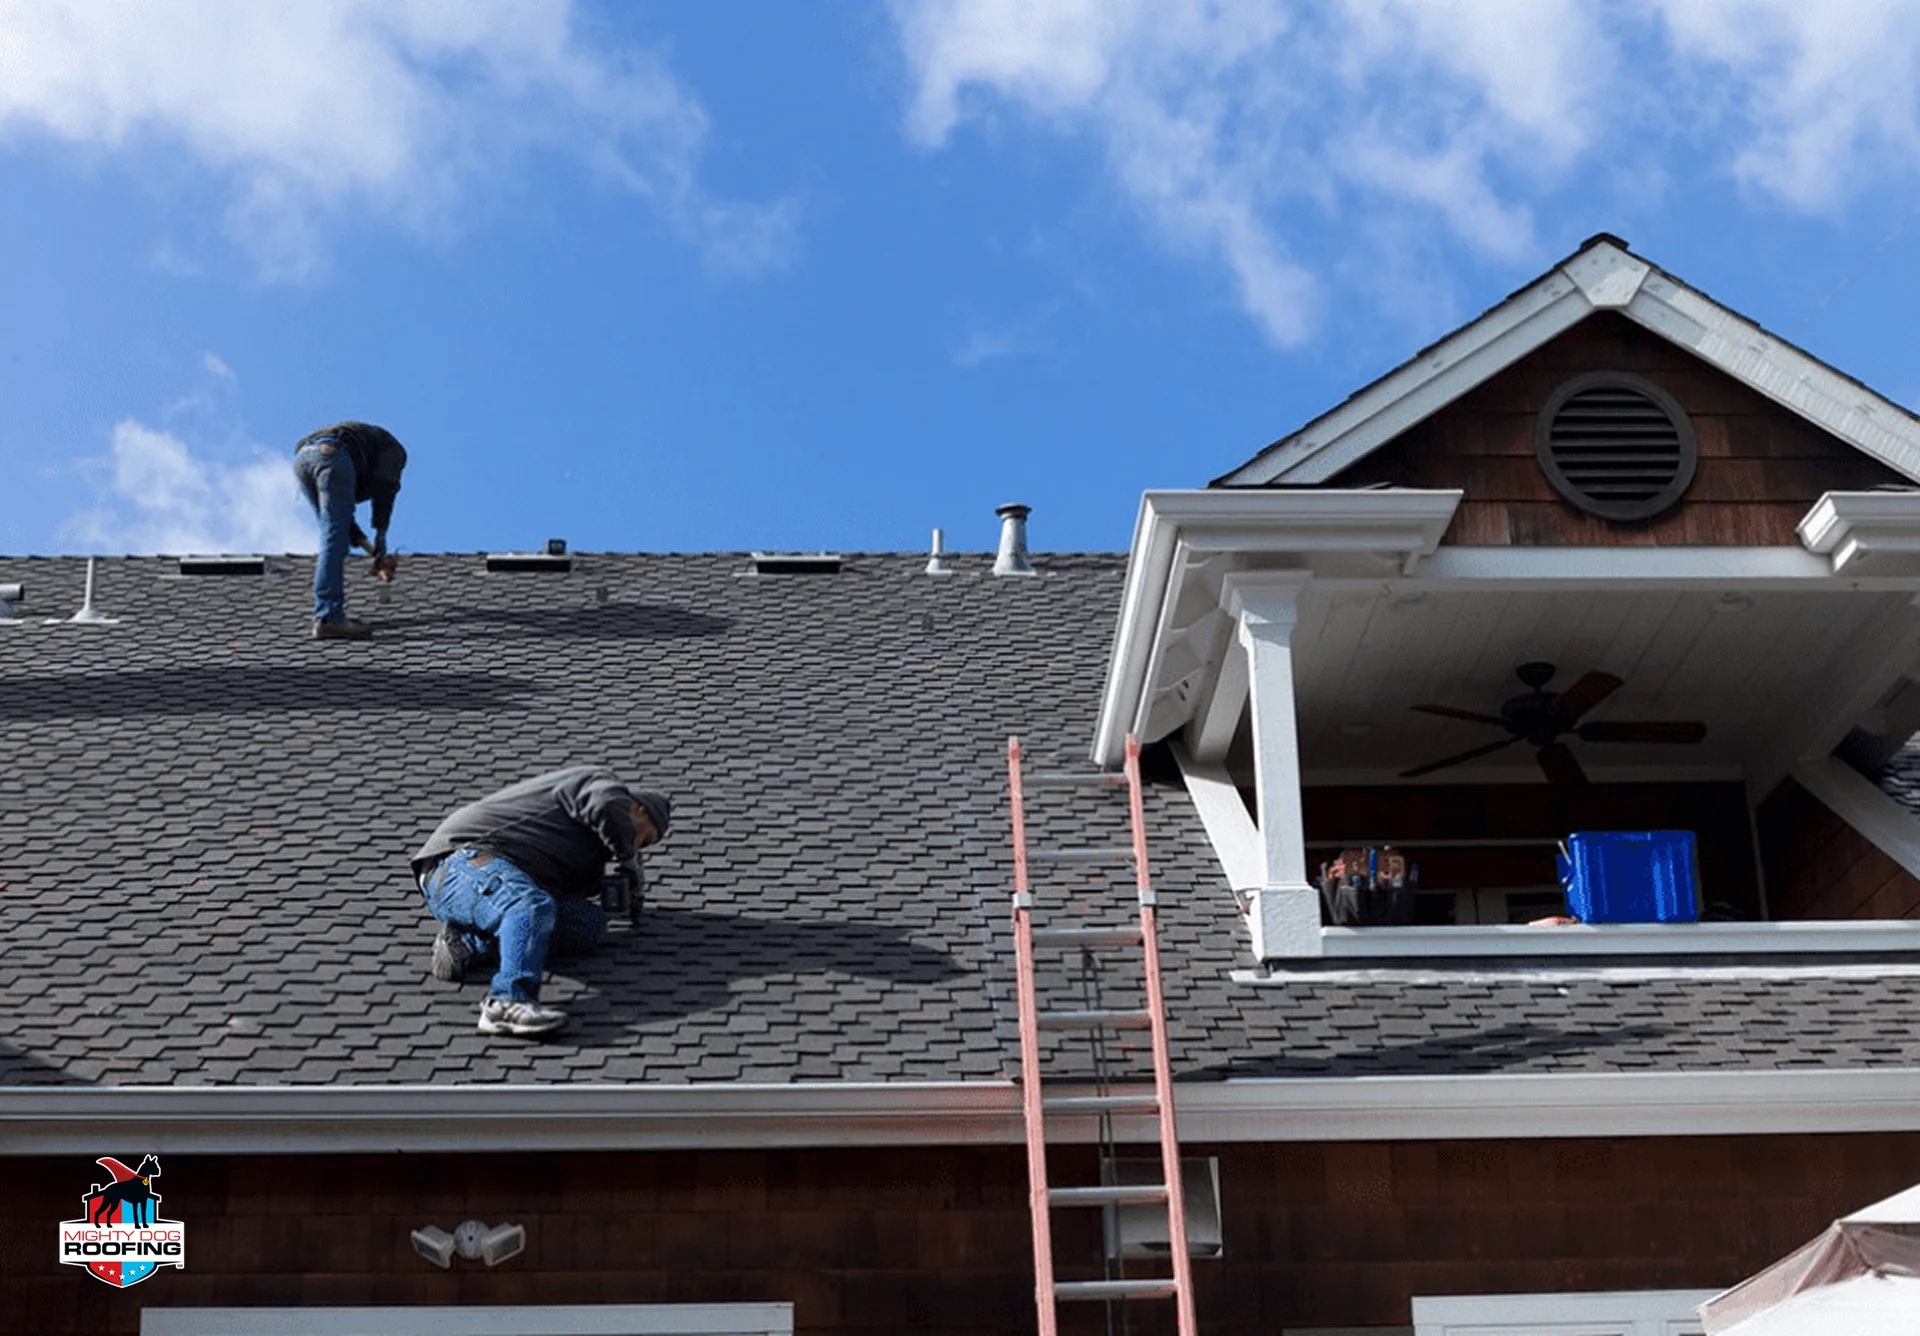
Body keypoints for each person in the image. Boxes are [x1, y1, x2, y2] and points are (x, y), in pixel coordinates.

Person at [410, 767, 672, 1037]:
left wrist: (615, 892)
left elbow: (566, 893)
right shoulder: (600, 784)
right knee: (529, 904)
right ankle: (507, 1002)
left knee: (587, 924)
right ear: (639, 809)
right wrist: (630, 863)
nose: (638, 845)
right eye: (645, 837)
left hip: (492, 880)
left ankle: (466, 943)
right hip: (459, 861)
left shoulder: (586, 852)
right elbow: (607, 805)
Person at [292, 421, 407, 641]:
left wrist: (372, 553)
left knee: (333, 530)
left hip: (303, 459)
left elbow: (346, 524)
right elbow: (386, 489)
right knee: (333, 535)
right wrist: (381, 543)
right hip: (331, 452)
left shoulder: (362, 454)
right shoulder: (395, 452)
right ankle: (329, 617)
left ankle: (328, 613)